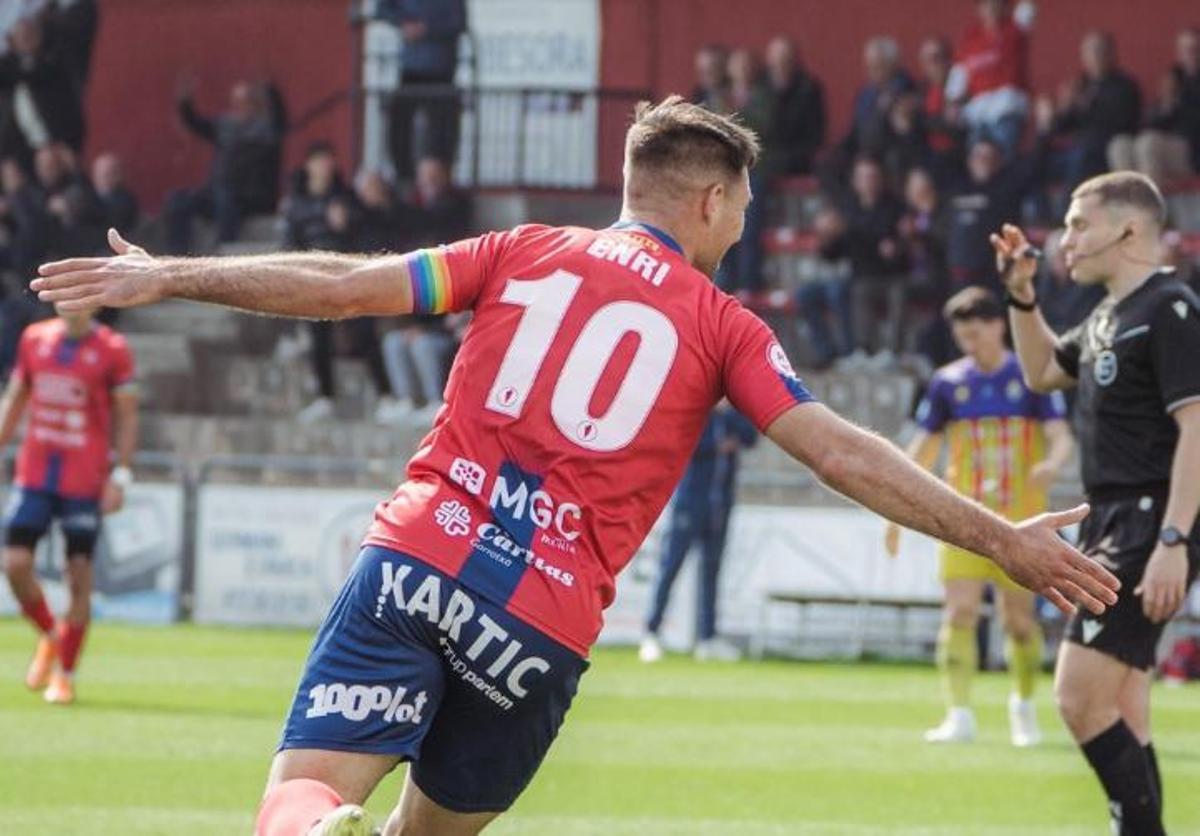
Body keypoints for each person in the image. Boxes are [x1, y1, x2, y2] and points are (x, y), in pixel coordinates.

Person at [32, 96, 1117, 836]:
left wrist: (173, 271)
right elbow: (835, 448)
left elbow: (341, 285)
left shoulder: (522, 251)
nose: (745, 223)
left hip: (420, 557)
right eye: (741, 203)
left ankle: (316, 822)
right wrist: (1001, 537)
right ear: (704, 200)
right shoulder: (722, 323)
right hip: (540, 622)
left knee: (308, 791)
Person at [993, 171, 1200, 835]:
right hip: (1115, 519)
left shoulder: (1169, 307)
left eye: (1081, 225)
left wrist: (1174, 540)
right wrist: (1021, 298)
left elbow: (1198, 426)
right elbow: (1043, 371)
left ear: (1130, 229)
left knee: (1077, 698)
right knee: (1126, 709)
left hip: (1146, 522)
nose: (1066, 240)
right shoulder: (1110, 315)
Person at [885, 287, 1074, 745]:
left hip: (1021, 520)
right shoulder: (949, 383)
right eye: (962, 335)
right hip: (962, 519)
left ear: (997, 326)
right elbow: (924, 446)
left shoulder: (1029, 377)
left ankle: (1023, 707)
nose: (970, 341)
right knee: (960, 612)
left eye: (977, 331)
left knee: (1018, 621)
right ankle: (959, 714)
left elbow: (1060, 433)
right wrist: (893, 505)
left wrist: (1052, 462)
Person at [0, 303, 137, 705]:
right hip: (36, 474)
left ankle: (65, 673)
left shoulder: (113, 348)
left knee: (78, 574)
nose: (70, 304)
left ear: (93, 304)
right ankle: (50, 634)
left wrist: (121, 475)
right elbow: (16, 399)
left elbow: (127, 416)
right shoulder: (35, 339)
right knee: (14, 563)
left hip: (84, 478)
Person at [639, 403, 757, 663]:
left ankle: (707, 638)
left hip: (720, 505)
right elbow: (687, 445)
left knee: (711, 571)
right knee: (671, 567)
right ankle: (652, 633)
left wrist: (728, 415)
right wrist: (718, 444)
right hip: (689, 501)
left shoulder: (732, 413)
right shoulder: (696, 412)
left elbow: (750, 436)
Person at [164, 77, 286, 252]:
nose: (241, 106)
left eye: (245, 101)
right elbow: (197, 124)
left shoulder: (264, 129)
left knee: (225, 197)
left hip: (248, 197)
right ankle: (176, 254)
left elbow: (279, 123)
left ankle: (224, 251)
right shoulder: (225, 126)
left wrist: (271, 90)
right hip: (217, 194)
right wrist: (185, 103)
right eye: (237, 102)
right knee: (177, 201)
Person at [1039, 30, 1141, 191]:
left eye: (1099, 51)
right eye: (1089, 52)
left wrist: (1084, 105)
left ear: (1111, 54)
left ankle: (1068, 213)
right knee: (1035, 162)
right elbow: (1061, 127)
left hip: (1105, 148)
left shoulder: (1124, 85)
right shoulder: (1082, 85)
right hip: (1077, 150)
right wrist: (1054, 113)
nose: (1095, 57)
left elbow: (1118, 122)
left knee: (1080, 158)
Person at [376, 0, 467, 180]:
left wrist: (426, 29)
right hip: (410, 70)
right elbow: (382, 8)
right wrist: (403, 22)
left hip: (442, 71)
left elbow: (458, 21)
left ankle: (440, 179)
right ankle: (404, 175)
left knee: (442, 131)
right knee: (400, 125)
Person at [947, 0, 1035, 158]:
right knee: (978, 164)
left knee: (1004, 161)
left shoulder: (1015, 28)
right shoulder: (971, 38)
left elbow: (1028, 7)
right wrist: (953, 101)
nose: (991, 8)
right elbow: (959, 72)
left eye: (996, 3)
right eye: (986, 4)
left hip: (1007, 109)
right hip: (978, 114)